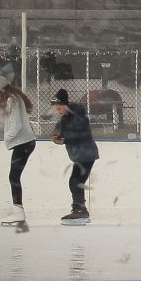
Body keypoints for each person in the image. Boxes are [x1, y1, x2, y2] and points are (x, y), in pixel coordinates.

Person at [0, 69, 36, 230]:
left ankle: (18, 211)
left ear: (0, 90)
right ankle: (18, 210)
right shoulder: (15, 98)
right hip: (25, 142)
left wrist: (6, 138)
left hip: (23, 142)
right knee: (14, 176)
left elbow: (16, 125)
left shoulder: (11, 101)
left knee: (13, 177)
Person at [50, 88, 99, 225]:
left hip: (86, 154)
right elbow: (63, 131)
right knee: (76, 181)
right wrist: (59, 137)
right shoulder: (66, 118)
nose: (58, 112)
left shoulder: (77, 115)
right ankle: (79, 208)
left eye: (59, 109)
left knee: (75, 181)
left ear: (65, 105)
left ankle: (80, 210)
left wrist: (65, 139)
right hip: (82, 154)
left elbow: (79, 134)